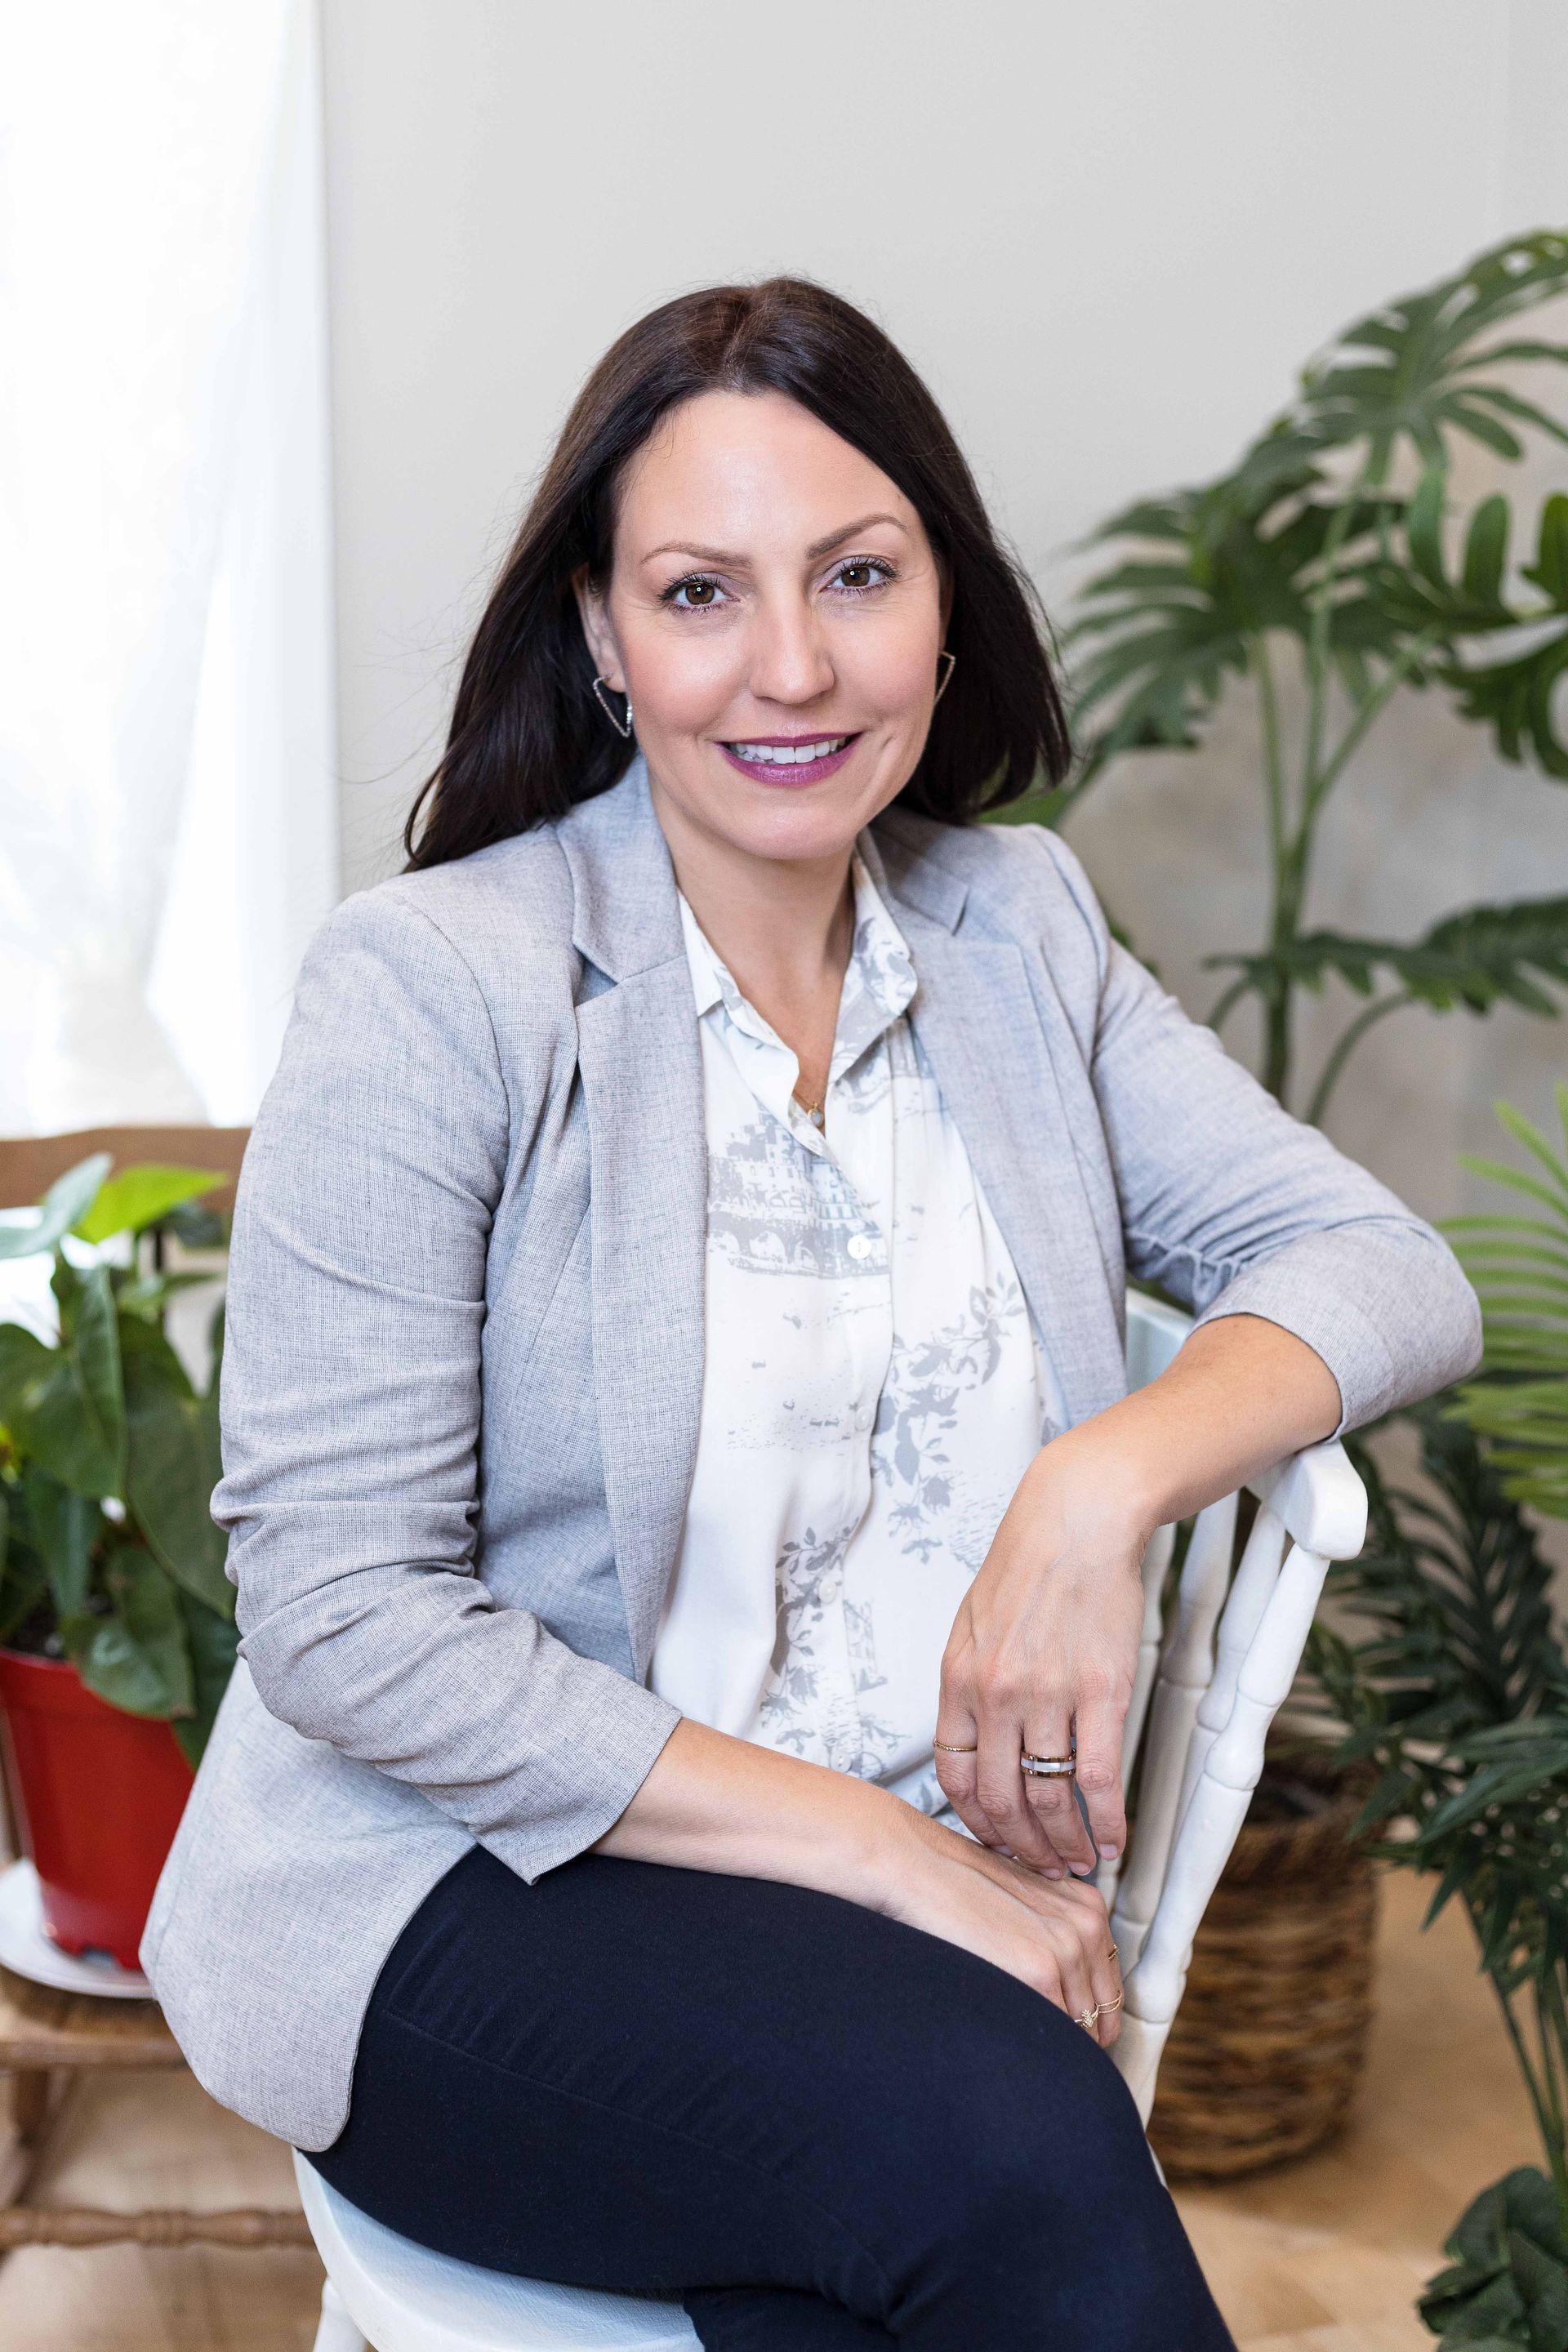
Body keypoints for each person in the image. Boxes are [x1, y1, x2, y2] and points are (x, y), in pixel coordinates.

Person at [142, 278, 1480, 2350]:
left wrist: (1094, 1492)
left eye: (857, 575)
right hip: (471, 1891)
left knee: (901, 2255)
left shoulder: (1015, 931)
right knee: (1010, 2145)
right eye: (700, 592)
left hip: (889, 1951)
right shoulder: (434, 986)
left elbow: (1387, 1268)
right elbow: (341, 1617)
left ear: (946, 603)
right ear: (601, 635)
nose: (792, 666)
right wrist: (884, 1858)